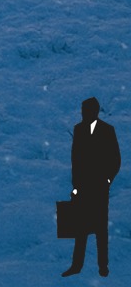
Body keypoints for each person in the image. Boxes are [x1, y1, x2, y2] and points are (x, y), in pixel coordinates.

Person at [67, 96, 121, 277]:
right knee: (80, 229)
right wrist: (75, 185)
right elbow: (75, 160)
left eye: (86, 111)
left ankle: (102, 266)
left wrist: (107, 180)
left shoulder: (107, 130)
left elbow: (115, 159)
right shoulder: (79, 129)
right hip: (82, 187)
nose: (83, 114)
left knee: (100, 229)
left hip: (99, 188)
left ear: (94, 112)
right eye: (83, 111)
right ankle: (77, 266)